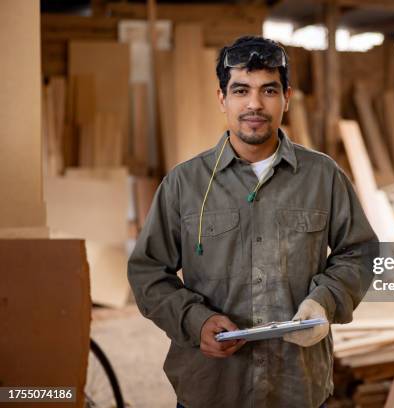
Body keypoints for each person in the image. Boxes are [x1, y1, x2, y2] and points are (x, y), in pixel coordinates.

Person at [127, 35, 378, 408]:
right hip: (212, 389)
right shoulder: (185, 183)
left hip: (298, 388)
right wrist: (195, 321)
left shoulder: (322, 176)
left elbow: (358, 253)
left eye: (269, 91)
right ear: (222, 99)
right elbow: (148, 271)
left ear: (287, 98)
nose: (254, 104)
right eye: (241, 90)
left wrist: (324, 302)